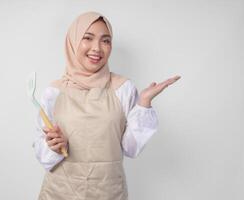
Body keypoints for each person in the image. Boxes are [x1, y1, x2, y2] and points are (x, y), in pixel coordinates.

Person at [32, 11, 181, 200]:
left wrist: (143, 104)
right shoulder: (54, 92)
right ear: (73, 41)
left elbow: (131, 148)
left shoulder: (123, 88)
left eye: (105, 40)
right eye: (88, 38)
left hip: (108, 193)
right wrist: (52, 146)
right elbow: (42, 155)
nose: (97, 48)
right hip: (60, 192)